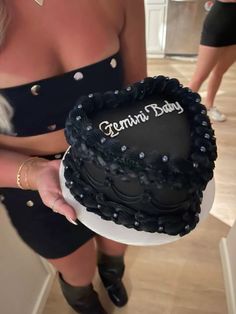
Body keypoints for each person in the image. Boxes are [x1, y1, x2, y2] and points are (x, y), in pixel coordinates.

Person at [0, 1, 147, 313]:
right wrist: (34, 172)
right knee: (77, 269)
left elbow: (136, 92)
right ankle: (85, 300)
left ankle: (112, 272)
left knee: (116, 244)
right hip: (31, 185)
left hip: (115, 163)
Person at [188, 0, 236, 122]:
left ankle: (209, 106)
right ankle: (181, 110)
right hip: (219, 23)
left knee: (219, 72)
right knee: (199, 76)